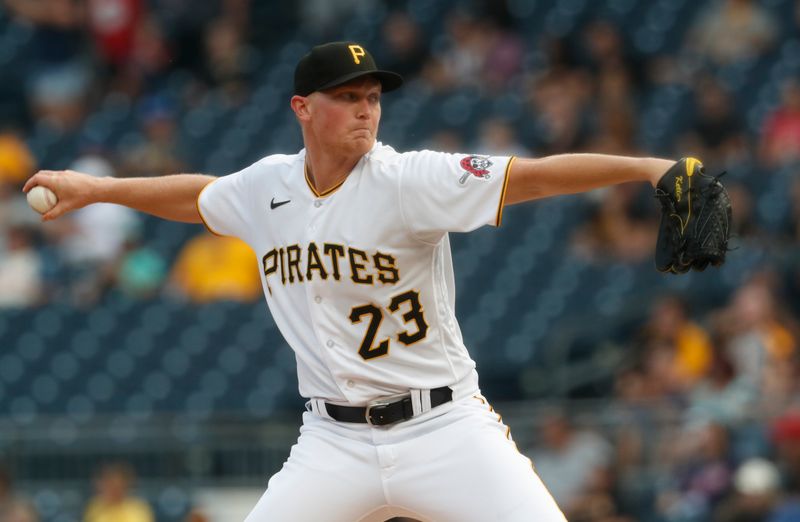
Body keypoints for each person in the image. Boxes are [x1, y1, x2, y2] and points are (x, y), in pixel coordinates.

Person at [25, 41, 683, 521]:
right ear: (302, 108)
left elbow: (530, 175)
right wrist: (98, 188)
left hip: (444, 429)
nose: (367, 110)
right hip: (333, 440)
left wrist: (648, 168)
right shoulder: (268, 187)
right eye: (347, 98)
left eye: (372, 98)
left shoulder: (408, 178)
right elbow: (199, 197)